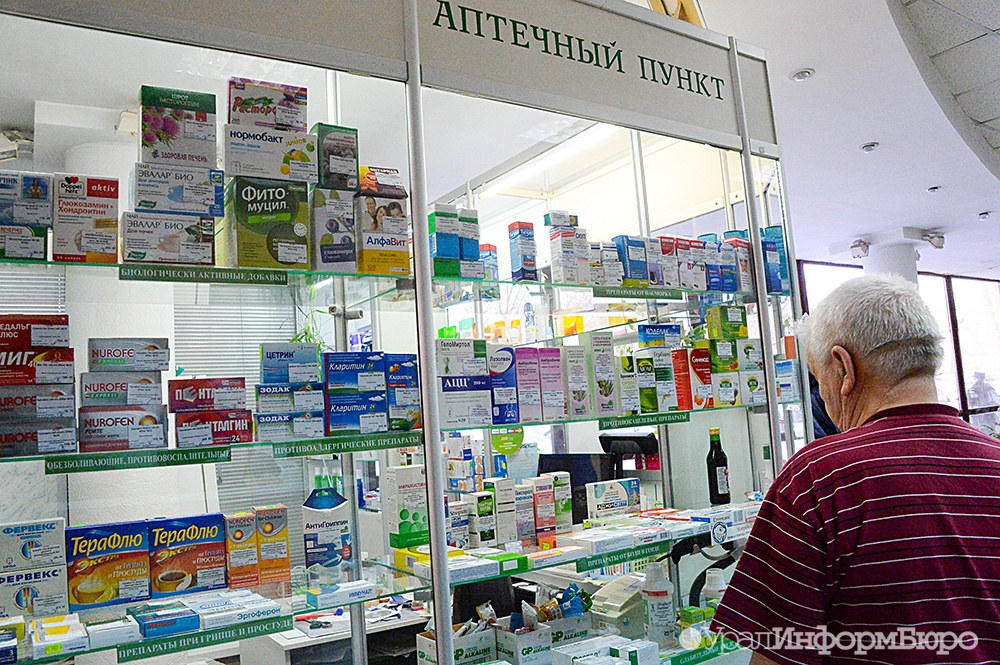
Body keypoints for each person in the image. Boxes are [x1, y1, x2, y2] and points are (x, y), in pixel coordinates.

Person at [710, 275, 1000, 664]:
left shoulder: (818, 479)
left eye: (819, 380)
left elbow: (777, 654)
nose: (823, 398)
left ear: (844, 369)